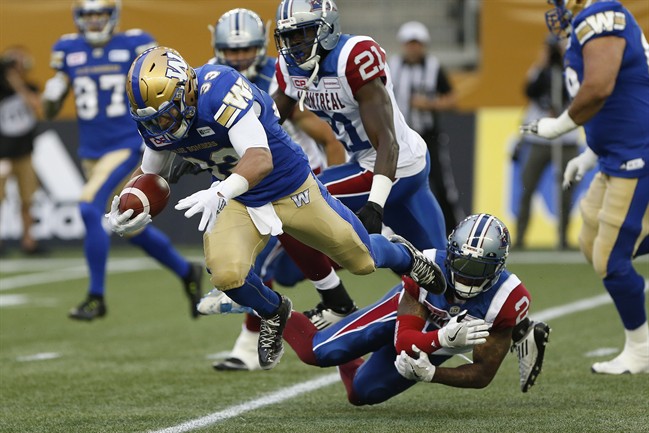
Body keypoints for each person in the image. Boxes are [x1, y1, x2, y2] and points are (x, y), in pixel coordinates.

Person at [117, 45, 445, 370]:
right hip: (241, 199)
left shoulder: (219, 89)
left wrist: (220, 192)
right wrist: (128, 206)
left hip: (289, 185)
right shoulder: (157, 122)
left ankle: (405, 256)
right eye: (154, 120)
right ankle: (273, 312)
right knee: (226, 274)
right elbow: (149, 173)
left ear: (186, 90)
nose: (162, 126)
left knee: (361, 260)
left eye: (168, 114)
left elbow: (259, 160)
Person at [193, 8, 352, 371]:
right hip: (246, 182)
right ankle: (323, 305)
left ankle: (258, 336)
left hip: (292, 177)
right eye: (230, 51)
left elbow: (325, 136)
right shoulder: (208, 82)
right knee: (272, 265)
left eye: (245, 49)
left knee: (271, 263)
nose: (237, 57)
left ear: (262, 43)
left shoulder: (280, 74)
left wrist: (329, 184)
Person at [271, 0, 448, 320]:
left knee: (289, 198)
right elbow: (269, 122)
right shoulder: (291, 69)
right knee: (442, 280)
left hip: (390, 165)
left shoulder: (353, 58)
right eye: (289, 37)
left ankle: (337, 300)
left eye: (303, 34)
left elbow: (386, 142)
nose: (295, 45)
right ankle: (517, 326)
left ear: (326, 28)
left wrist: (374, 205)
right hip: (393, 162)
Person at [275, 214, 551, 404]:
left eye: (478, 270)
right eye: (461, 264)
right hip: (406, 319)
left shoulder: (507, 298)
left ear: (498, 268)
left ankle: (520, 329)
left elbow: (482, 374)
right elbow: (405, 340)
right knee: (317, 352)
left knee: (362, 394)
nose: (466, 277)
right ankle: (269, 306)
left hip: (436, 340)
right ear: (450, 253)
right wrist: (441, 339)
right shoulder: (428, 268)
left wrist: (431, 374)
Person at [41, 0, 203, 321]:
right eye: (88, 15)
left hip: (126, 144)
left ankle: (95, 297)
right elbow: (47, 112)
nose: (95, 21)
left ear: (113, 15)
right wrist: (53, 93)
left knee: (88, 207)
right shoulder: (68, 48)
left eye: (100, 14)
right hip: (91, 153)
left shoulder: (134, 43)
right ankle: (187, 271)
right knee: (130, 225)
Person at [522, 0, 649, 374]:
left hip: (636, 156)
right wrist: (590, 154)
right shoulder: (588, 25)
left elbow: (599, 88)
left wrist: (557, 127)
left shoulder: (600, 16)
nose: (556, 8)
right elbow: (624, 101)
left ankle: (640, 350)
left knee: (611, 259)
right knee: (591, 241)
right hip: (615, 155)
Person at [388, 21, 465, 233]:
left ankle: (454, 231)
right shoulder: (392, 66)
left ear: (424, 45)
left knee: (442, 185)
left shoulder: (433, 67)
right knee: (390, 182)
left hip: (429, 136)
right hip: (398, 138)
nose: (413, 48)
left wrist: (429, 104)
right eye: (410, 44)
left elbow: (452, 99)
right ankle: (394, 230)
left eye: (417, 44)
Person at [514, 36, 581, 250]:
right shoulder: (539, 70)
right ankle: (520, 237)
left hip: (566, 138)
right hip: (540, 139)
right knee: (527, 186)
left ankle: (563, 237)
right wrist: (545, 65)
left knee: (567, 187)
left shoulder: (573, 71)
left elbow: (574, 95)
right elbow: (530, 91)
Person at [0, 46, 46, 255]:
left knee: (27, 199)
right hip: (2, 154)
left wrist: (17, 83)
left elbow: (35, 104)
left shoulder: (30, 87)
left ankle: (29, 242)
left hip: (25, 153)